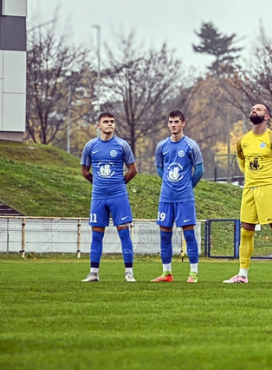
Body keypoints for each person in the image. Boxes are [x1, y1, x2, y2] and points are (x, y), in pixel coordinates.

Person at [223, 103, 272, 284]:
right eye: (253, 109)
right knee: (246, 232)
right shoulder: (243, 141)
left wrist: (271, 180)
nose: (254, 111)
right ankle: (242, 274)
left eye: (259, 109)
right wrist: (252, 178)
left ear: (267, 116)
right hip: (249, 189)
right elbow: (242, 164)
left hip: (268, 188)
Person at [80, 112, 138, 282]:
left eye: (112, 122)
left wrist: (119, 185)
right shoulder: (90, 146)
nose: (109, 124)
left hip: (118, 196)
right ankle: (93, 273)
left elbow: (133, 170)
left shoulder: (122, 145)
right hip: (98, 198)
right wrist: (97, 183)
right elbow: (84, 171)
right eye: (105, 122)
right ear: (98, 125)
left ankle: (129, 273)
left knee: (124, 234)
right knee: (97, 235)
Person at [151, 110, 205, 283]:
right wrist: (169, 183)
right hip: (166, 198)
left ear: (183, 124)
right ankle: (167, 274)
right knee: (164, 235)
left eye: (176, 122)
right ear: (168, 124)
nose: (173, 125)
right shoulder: (161, 146)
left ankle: (193, 273)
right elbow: (160, 169)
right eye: (170, 122)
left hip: (184, 198)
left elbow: (200, 170)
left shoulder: (191, 146)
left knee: (189, 235)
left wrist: (187, 185)